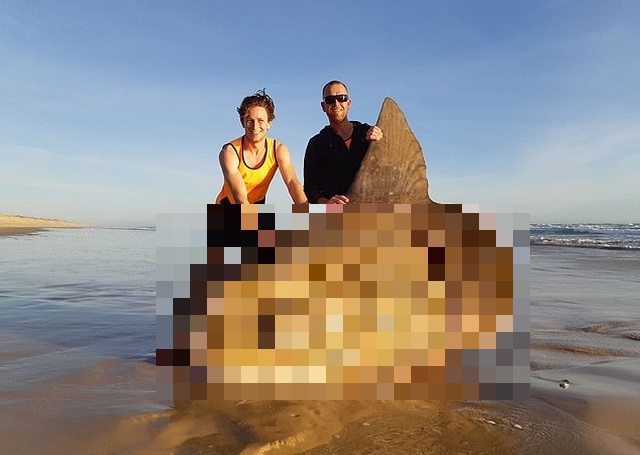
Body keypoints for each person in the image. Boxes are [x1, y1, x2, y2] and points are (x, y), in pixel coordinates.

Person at [215, 89, 307, 204]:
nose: (255, 126)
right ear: (242, 122)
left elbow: (292, 182)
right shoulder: (229, 152)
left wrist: (306, 209)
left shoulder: (278, 150)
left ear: (269, 123)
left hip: (258, 204)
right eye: (250, 120)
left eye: (260, 120)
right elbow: (240, 196)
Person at [303, 80, 383, 204]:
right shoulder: (317, 143)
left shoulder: (368, 133)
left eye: (341, 98)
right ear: (323, 106)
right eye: (330, 99)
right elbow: (310, 188)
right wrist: (327, 203)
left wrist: (382, 142)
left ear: (348, 103)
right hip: (337, 217)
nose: (336, 103)